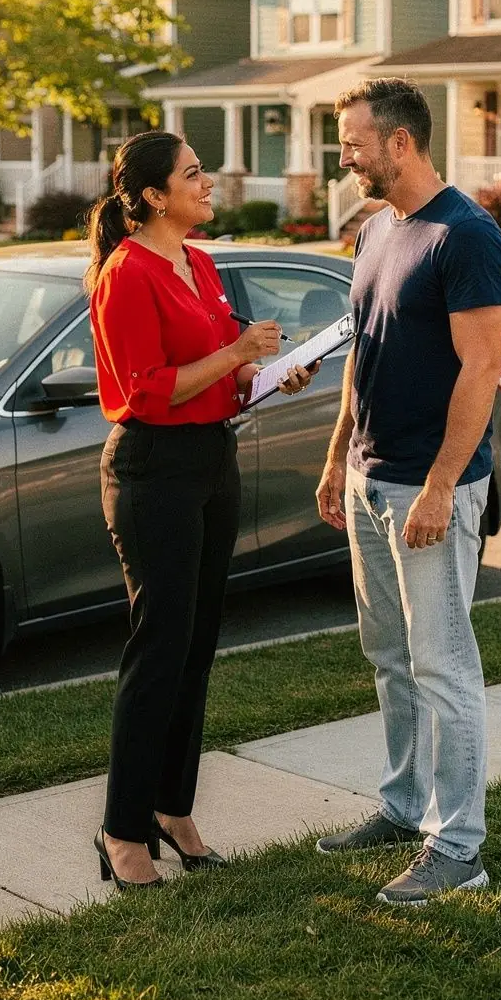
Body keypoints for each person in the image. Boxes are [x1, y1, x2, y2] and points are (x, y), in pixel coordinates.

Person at [86, 130, 317, 890]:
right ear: (155, 196)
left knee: (196, 646)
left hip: (213, 462)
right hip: (153, 470)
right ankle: (123, 831)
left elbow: (221, 376)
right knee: (159, 649)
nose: (207, 181)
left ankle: (172, 810)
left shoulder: (202, 264)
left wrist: (268, 373)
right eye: (192, 174)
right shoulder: (127, 274)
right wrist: (236, 353)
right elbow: (147, 389)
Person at [315, 78, 501, 907]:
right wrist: (339, 457)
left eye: (354, 143)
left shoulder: (466, 236)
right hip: (370, 476)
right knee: (391, 659)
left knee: (443, 665)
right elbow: (363, 350)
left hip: (430, 490)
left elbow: (480, 369)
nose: (345, 158)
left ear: (400, 142)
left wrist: (440, 486)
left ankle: (458, 846)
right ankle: (404, 806)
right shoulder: (375, 231)